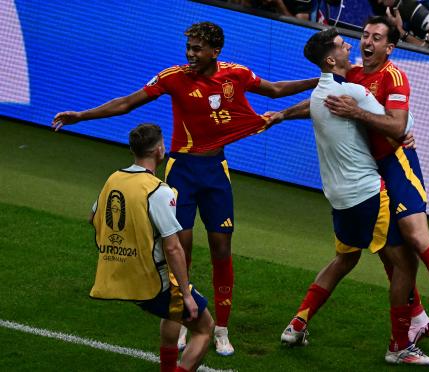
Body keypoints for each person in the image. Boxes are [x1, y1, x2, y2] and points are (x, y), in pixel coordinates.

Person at [52, 21, 318, 356]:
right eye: (188, 47)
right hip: (182, 172)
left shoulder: (235, 74)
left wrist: (319, 80)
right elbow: (127, 102)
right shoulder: (172, 77)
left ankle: (221, 329)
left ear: (215, 51)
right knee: (181, 251)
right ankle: (180, 320)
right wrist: (82, 115)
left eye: (197, 49)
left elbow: (276, 90)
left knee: (222, 249)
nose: (190, 54)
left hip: (215, 172)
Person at [278, 16, 429, 340]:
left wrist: (358, 114)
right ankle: (417, 317)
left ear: (390, 47)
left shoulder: (394, 76)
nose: (366, 43)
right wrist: (284, 113)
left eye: (376, 38)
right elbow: (322, 97)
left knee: (412, 233)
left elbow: (398, 127)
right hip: (370, 170)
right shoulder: (352, 75)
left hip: (397, 162)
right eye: (365, 35)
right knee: (384, 248)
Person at [89, 123, 215, 372]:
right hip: (151, 280)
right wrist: (187, 295)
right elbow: (173, 248)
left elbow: (93, 217)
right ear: (159, 150)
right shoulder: (159, 191)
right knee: (204, 328)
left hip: (119, 272)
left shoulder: (114, 178)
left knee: (172, 313)